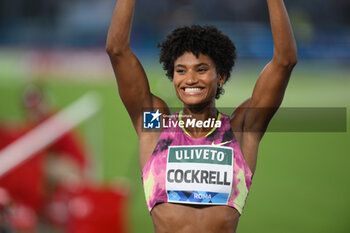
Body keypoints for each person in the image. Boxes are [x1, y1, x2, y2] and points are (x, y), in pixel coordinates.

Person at [106, 0, 297, 232]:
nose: (190, 79)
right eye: (181, 70)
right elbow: (117, 51)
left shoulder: (241, 129)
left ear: (222, 76)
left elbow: (284, 62)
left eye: (202, 69)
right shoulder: (155, 125)